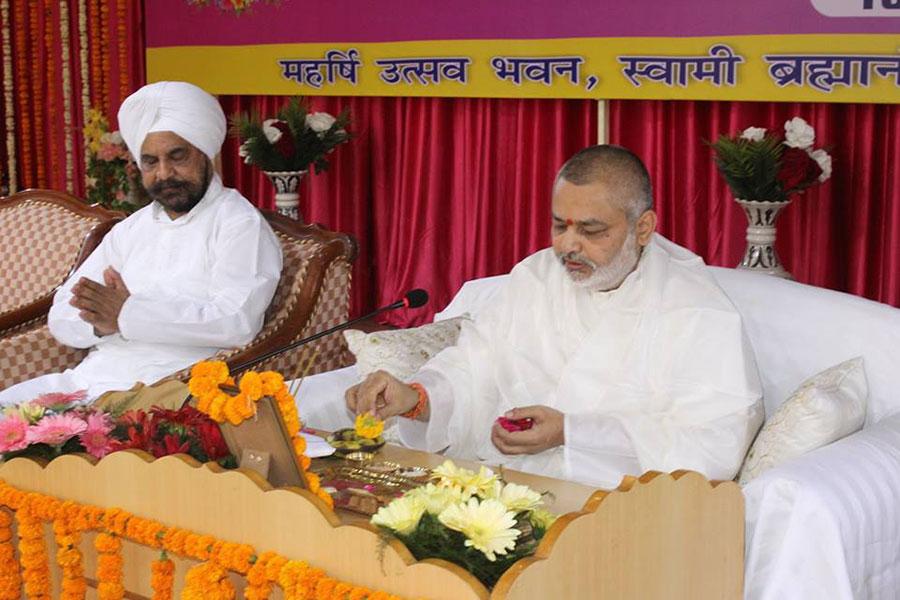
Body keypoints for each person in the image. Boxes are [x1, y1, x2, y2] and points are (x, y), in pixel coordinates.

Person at [347, 145, 763, 488]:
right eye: (559, 225)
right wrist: (417, 399)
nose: (568, 245)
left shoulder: (696, 310)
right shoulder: (536, 276)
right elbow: (474, 367)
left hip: (620, 512)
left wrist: (573, 433)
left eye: (591, 230)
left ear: (643, 227)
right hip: (504, 491)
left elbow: (715, 445)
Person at [0, 81, 282, 404]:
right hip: (91, 379)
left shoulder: (238, 223)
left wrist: (127, 315)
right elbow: (62, 315)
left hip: (170, 389)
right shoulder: (131, 230)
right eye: (150, 162)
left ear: (205, 153)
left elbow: (237, 322)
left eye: (177, 156)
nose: (164, 174)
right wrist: (101, 324)